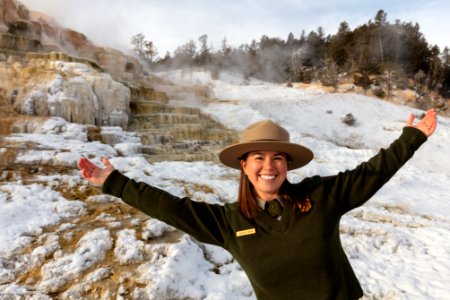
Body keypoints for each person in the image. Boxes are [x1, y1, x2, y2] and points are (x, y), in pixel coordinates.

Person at [78, 109, 437, 299]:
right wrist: (115, 182)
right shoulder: (228, 222)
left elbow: (370, 173)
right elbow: (173, 208)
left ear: (288, 164)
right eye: (259, 158)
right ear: (244, 165)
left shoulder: (321, 197)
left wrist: (412, 138)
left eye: (278, 157)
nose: (269, 166)